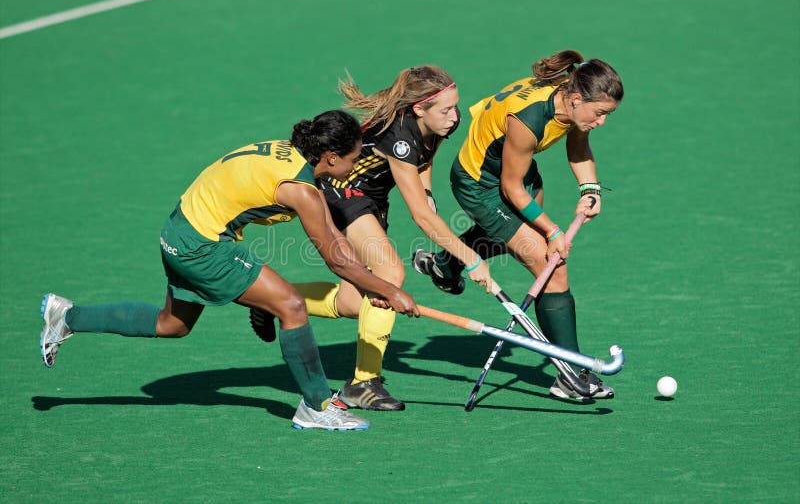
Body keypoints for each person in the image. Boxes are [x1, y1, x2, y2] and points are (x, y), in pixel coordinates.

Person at [39, 110, 419, 431]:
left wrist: (374, 286)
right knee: (291, 305)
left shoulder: (291, 154)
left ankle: (66, 316)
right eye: (353, 159)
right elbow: (336, 258)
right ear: (332, 157)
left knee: (172, 324)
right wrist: (389, 290)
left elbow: (335, 238)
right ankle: (317, 407)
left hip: (178, 228)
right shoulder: (300, 189)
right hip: (202, 245)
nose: (355, 168)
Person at [250, 66, 493, 411]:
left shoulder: (433, 124)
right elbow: (422, 218)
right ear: (418, 109)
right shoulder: (399, 138)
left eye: (455, 107)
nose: (454, 117)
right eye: (446, 110)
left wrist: (426, 192)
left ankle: (271, 300)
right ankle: (364, 383)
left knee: (355, 303)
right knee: (389, 275)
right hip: (340, 190)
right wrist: (471, 259)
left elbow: (425, 159)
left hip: (371, 201)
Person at [412, 50, 624, 399]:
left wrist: (590, 187)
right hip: (481, 184)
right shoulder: (529, 121)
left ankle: (445, 264)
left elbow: (578, 139)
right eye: (600, 113)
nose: (601, 122)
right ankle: (571, 374)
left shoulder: (568, 99)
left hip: (517, 173)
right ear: (575, 99)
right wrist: (554, 231)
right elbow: (509, 189)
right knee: (551, 265)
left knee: (513, 235)